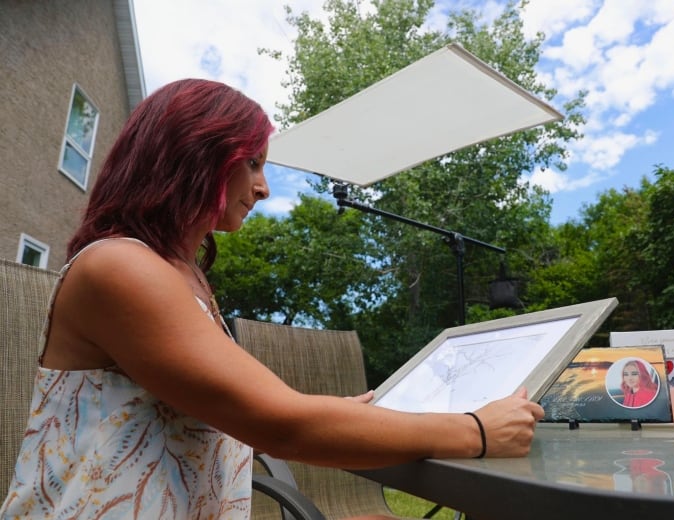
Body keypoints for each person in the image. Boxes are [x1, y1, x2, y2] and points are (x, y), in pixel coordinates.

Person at [0, 79, 545, 520]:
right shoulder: (121, 266)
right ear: (196, 154)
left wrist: (326, 412)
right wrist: (476, 430)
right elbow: (276, 425)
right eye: (253, 163)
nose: (264, 188)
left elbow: (246, 409)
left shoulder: (178, 274)